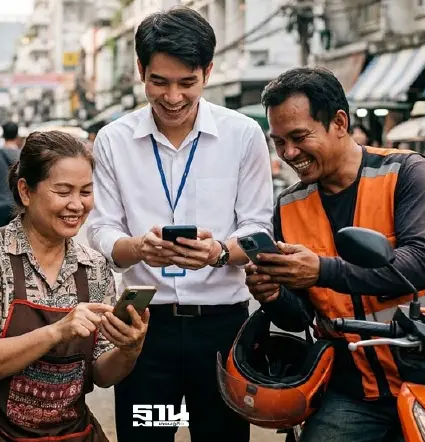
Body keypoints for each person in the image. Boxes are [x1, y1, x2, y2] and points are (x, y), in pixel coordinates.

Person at [86, 7, 273, 442]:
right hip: (144, 331)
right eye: (159, 82)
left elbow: (259, 229)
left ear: (208, 72)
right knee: (148, 436)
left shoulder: (242, 135)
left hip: (222, 331)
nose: (173, 97)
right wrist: (138, 248)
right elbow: (101, 230)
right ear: (141, 71)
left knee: (221, 437)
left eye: (187, 83)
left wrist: (220, 252)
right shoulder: (114, 139)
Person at [244, 67, 425, 442]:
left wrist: (319, 271)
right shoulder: (289, 205)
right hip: (352, 391)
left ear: (339, 122)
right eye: (278, 142)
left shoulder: (407, 173)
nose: (289, 153)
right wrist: (275, 294)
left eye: (299, 137)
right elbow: (301, 318)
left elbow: (422, 265)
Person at [0, 131, 149, 442]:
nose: (77, 205)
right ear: (26, 192)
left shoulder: (93, 267)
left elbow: (102, 373)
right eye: (63, 191)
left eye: (86, 192)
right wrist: (57, 330)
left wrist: (129, 349)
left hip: (64, 431)